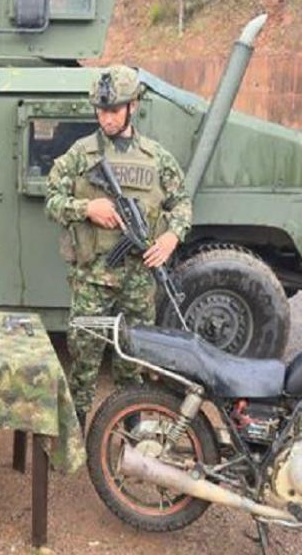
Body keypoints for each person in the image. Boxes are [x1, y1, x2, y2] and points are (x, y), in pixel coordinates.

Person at [45, 65, 193, 429]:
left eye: (113, 110)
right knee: (84, 361)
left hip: (140, 278)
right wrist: (87, 208)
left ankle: (131, 433)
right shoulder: (81, 155)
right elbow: (51, 199)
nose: (106, 117)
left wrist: (171, 237)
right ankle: (75, 436)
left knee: (135, 362)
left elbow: (182, 203)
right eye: (101, 109)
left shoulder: (157, 158)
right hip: (93, 277)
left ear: (133, 107)